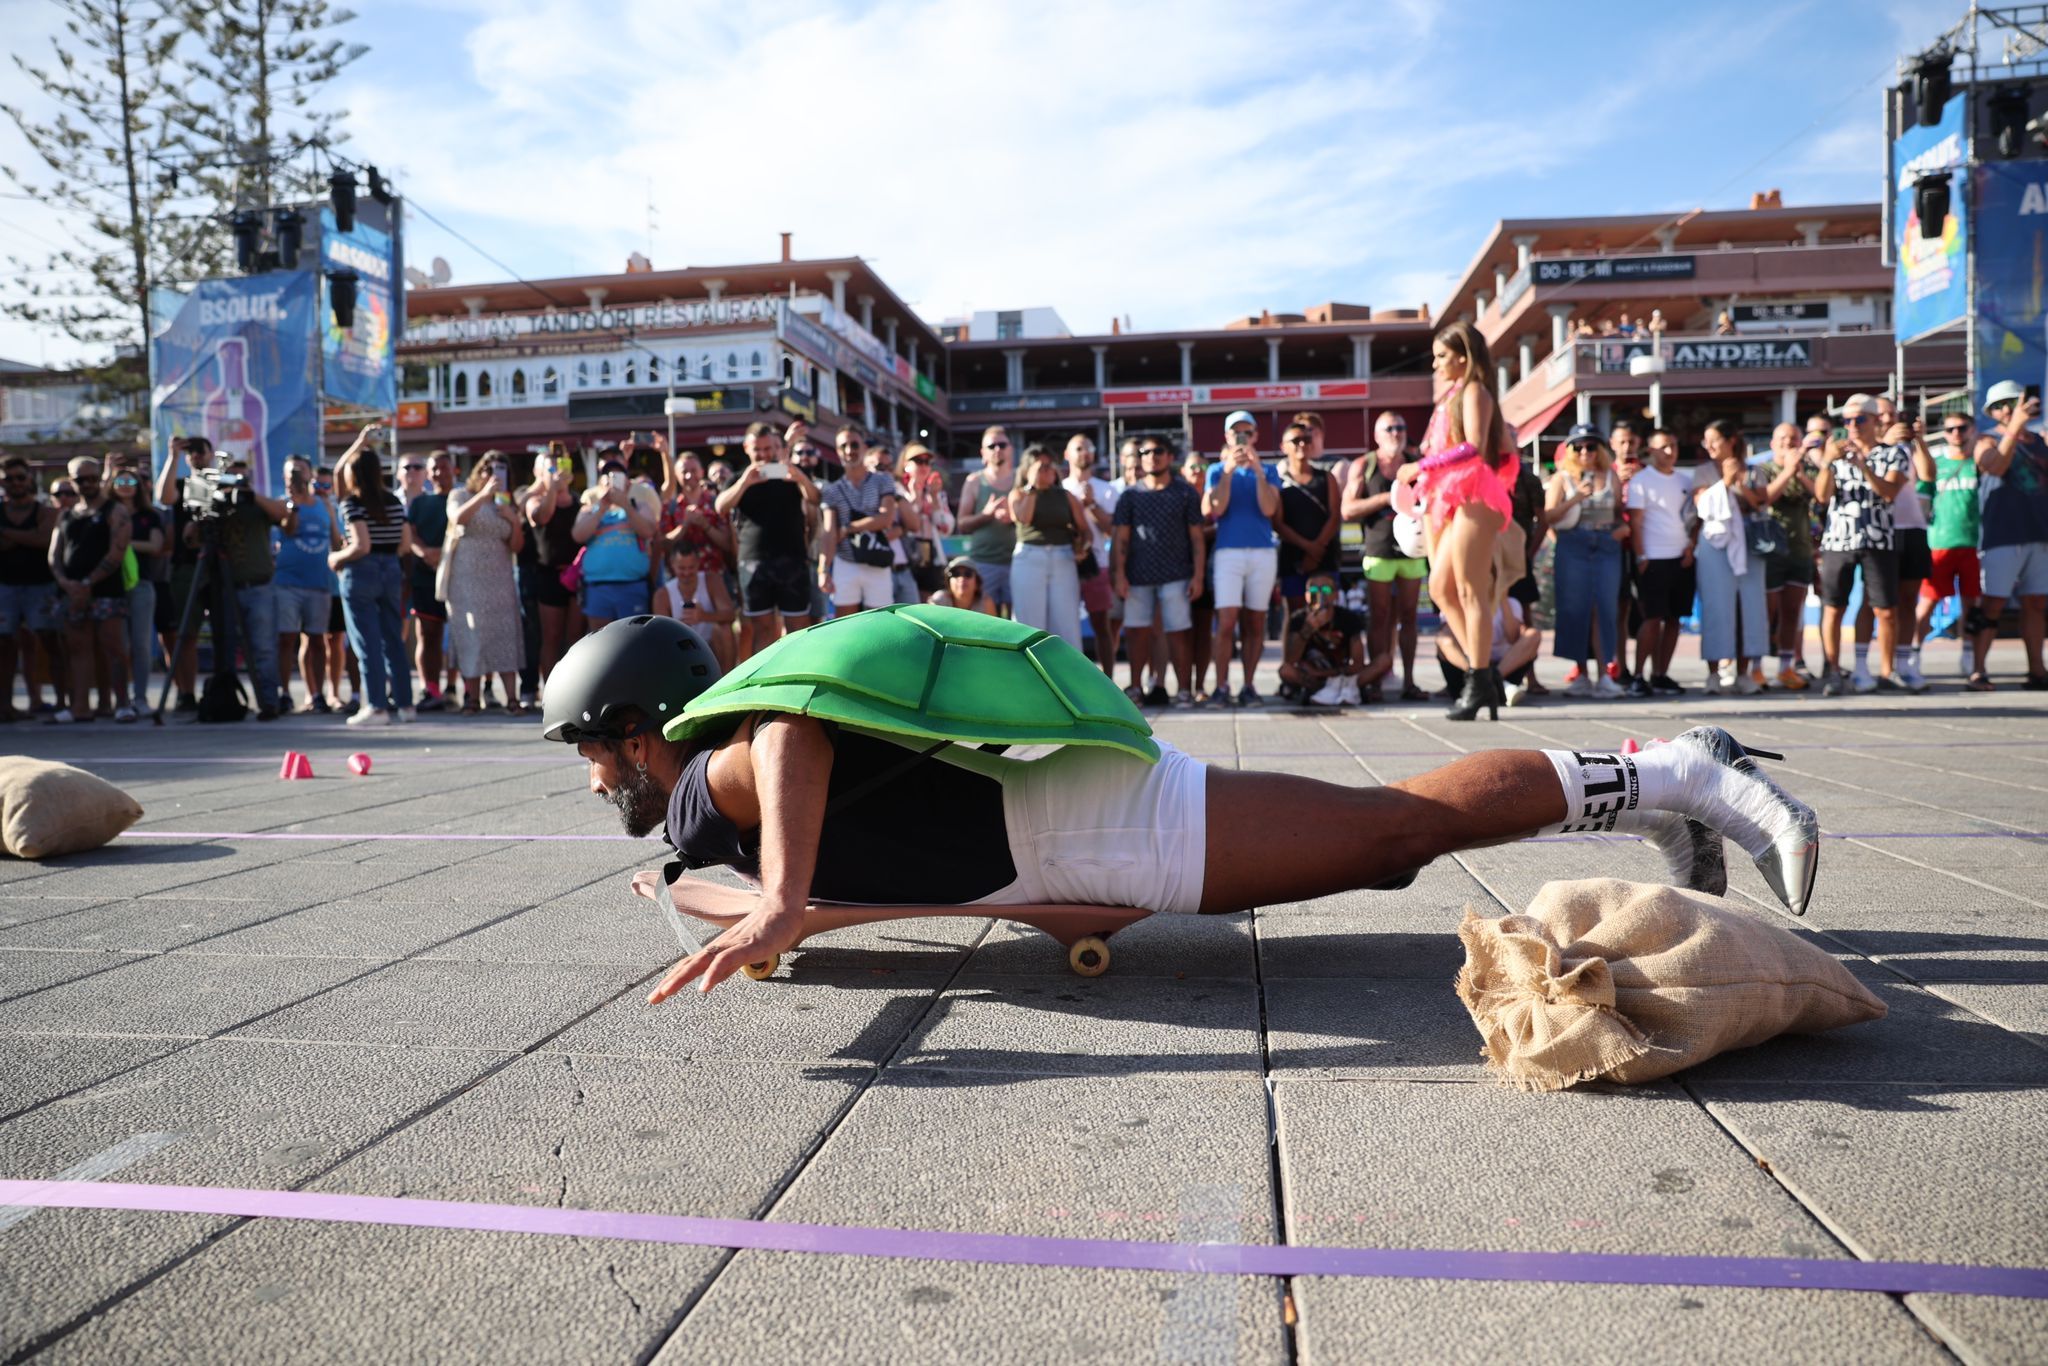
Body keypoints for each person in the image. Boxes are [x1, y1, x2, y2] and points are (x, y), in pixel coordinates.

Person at [540, 614, 1823, 999]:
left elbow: (792, 733)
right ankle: (1652, 801)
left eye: (594, 753)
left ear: (637, 730)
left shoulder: (707, 776)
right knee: (1383, 843)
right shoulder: (702, 827)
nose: (597, 779)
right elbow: (810, 877)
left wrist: (774, 899)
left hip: (1092, 826)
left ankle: (1681, 768)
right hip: (1065, 845)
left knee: (1393, 831)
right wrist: (763, 908)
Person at [1402, 322, 1522, 721]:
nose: (1435, 364)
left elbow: (1473, 446)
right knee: (1441, 588)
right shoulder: (1453, 395)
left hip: (1477, 493)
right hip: (1455, 496)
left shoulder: (1474, 391)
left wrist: (1421, 465)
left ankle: (1479, 679)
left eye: (1441, 356)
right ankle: (1482, 675)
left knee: (1471, 590)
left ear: (1463, 357)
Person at [152, 436, 292, 720]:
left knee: (253, 644)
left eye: (240, 475)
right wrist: (175, 458)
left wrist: (246, 492)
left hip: (243, 580)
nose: (196, 456)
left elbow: (283, 515)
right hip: (207, 576)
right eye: (191, 452)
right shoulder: (202, 493)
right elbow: (176, 514)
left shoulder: (245, 500)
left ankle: (264, 701)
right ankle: (203, 696)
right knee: (202, 639)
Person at [1815, 394, 1909, 695]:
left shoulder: (1893, 454)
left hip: (1878, 539)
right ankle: (1833, 671)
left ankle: (1887, 671)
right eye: (1847, 421)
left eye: (1859, 419)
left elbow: (1889, 493)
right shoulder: (1836, 453)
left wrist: (1864, 466)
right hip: (1839, 539)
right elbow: (1821, 496)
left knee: (1885, 609)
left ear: (1875, 420)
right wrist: (1828, 462)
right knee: (1833, 607)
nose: (1852, 426)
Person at [330, 425, 415, 727]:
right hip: (391, 568)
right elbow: (405, 545)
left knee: (366, 642)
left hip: (361, 572)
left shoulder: (352, 503)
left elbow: (361, 545)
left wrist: (336, 557)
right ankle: (405, 705)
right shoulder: (394, 502)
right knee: (393, 639)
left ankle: (377, 706)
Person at [1113, 435, 1206, 707]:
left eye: (1158, 451)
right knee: (1136, 633)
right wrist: (1119, 574)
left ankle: (1184, 690)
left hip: (1177, 575)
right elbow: (1121, 539)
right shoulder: (1130, 495)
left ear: (1170, 456)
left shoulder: (1185, 492)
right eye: (1145, 452)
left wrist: (1198, 576)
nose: (1151, 456)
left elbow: (1197, 538)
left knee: (1178, 633)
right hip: (1137, 576)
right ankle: (1135, 688)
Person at [716, 421, 822, 658]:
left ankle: (799, 675)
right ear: (746, 448)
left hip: (793, 560)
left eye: (767, 449)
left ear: (775, 448)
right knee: (762, 630)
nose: (763, 455)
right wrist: (745, 482)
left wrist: (799, 477)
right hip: (754, 562)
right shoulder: (739, 478)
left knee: (798, 631)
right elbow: (720, 507)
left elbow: (815, 498)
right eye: (758, 449)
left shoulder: (790, 473)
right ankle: (767, 679)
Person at [1342, 412, 1427, 701]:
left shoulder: (1416, 463)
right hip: (1378, 549)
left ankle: (1409, 681)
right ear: (1377, 435)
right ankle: (1375, 681)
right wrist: (1388, 498)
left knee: (1410, 616)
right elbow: (1347, 509)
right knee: (1379, 616)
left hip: (1413, 549)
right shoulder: (1364, 465)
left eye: (1400, 427)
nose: (1395, 433)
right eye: (1389, 428)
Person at [1972, 381, 2048, 690]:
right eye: (1999, 405)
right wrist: (2015, 427)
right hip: (2002, 535)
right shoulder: (1985, 440)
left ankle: (2037, 670)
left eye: (2012, 402)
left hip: (2039, 533)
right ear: (1991, 412)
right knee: (1993, 604)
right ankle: (1978, 670)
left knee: (2036, 603)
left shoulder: (2041, 441)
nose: (2006, 409)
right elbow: (1995, 467)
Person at [46, 456, 134, 722]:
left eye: (91, 478)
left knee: (113, 648)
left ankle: (122, 704)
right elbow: (54, 555)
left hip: (106, 591)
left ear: (99, 478)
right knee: (77, 649)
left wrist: (88, 583)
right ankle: (80, 706)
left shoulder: (115, 511)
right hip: (71, 592)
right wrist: (67, 584)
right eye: (80, 479)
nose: (86, 484)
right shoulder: (66, 515)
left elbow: (116, 553)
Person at [1204, 410, 1281, 707]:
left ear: (1255, 436)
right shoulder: (1216, 470)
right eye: (1236, 433)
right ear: (1227, 437)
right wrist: (1228, 471)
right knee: (1226, 623)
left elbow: (1269, 509)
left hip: (1262, 552)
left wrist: (1257, 470)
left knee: (1256, 622)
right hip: (1229, 552)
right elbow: (1217, 508)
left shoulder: (1269, 471)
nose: (1242, 438)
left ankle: (1249, 685)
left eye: (1247, 432)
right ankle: (1221, 686)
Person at [1545, 425, 1627, 698]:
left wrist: (1621, 529)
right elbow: (1549, 516)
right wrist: (1576, 498)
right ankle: (1580, 672)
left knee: (1605, 608)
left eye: (1591, 446)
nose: (1585, 452)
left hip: (1606, 544)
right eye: (1578, 447)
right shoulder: (1562, 478)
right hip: (1573, 544)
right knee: (1575, 608)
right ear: (1569, 450)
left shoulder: (1611, 476)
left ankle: (1605, 674)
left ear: (1600, 449)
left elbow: (1619, 512)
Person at [446, 452, 528, 714]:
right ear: (478, 472)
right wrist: (484, 495)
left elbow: (517, 546)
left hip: (500, 577)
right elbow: (457, 519)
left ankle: (512, 698)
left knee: (505, 633)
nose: (494, 475)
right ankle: (472, 698)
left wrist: (513, 519)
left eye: (501, 469)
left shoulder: (506, 502)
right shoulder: (461, 495)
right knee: (472, 634)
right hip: (467, 577)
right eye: (488, 469)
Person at [1692, 420, 1768, 695]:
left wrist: (1740, 483)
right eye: (1706, 441)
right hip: (1715, 543)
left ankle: (1745, 673)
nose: (1709, 446)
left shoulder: (1754, 471)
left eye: (1715, 440)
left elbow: (1760, 504)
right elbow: (1701, 505)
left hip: (1749, 542)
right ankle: (1714, 673)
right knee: (1716, 606)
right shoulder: (1702, 471)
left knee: (1750, 607)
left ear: (1731, 441)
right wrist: (1725, 482)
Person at [1625, 428, 1697, 697]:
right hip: (1653, 559)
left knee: (1675, 619)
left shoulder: (1685, 480)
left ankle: (1660, 674)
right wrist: (1641, 556)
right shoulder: (1641, 481)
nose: (1669, 452)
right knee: (1652, 619)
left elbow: (1694, 519)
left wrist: (1691, 547)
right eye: (1663, 446)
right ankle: (1638, 675)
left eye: (1673, 446)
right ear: (1651, 450)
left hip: (1682, 558)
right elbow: (1636, 522)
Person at [272, 456, 342, 713]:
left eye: (300, 472)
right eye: (291, 473)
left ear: (309, 474)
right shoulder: (282, 503)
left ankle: (318, 694)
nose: (296, 477)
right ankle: (284, 693)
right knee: (286, 638)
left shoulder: (324, 505)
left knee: (317, 640)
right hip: (288, 583)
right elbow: (288, 530)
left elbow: (336, 541)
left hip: (319, 583)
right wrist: (294, 505)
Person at [1752, 423, 1819, 690]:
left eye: (1793, 438)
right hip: (1770, 550)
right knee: (1766, 613)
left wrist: (1799, 471)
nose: (1788, 443)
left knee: (1792, 612)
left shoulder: (1809, 469)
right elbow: (1764, 499)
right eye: (1782, 438)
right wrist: (1788, 471)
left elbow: (1821, 495)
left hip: (1800, 549)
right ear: (1772, 443)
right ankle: (1756, 668)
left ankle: (1785, 668)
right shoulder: (1762, 470)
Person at [1921, 413, 1984, 686]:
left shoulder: (1979, 463)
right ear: (1944, 433)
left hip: (1971, 544)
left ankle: (1968, 654)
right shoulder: (1935, 464)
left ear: (1972, 429)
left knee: (1972, 604)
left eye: (1962, 428)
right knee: (1927, 602)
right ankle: (1912, 656)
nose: (1956, 433)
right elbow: (1922, 501)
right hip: (1939, 544)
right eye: (1950, 429)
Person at [1007, 443, 1088, 649]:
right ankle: (1029, 669)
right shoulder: (1018, 494)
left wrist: (1082, 546)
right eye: (1040, 467)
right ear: (1027, 469)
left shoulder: (1066, 496)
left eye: (1049, 465)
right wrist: (1033, 487)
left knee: (1067, 625)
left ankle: (1067, 670)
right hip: (1029, 557)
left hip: (1063, 557)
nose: (1046, 470)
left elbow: (1084, 529)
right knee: (1028, 626)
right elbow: (1023, 518)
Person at [1, 453, 62, 722]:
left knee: (50, 641)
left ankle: (62, 703)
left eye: (20, 477)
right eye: (9, 479)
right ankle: (5, 706)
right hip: (6, 587)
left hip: (41, 586)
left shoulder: (45, 511)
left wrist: (7, 533)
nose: (15, 483)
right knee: (5, 646)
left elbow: (44, 538)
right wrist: (29, 536)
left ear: (29, 479)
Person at [522, 446, 585, 690]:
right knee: (551, 636)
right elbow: (542, 517)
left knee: (576, 638)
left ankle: (575, 691)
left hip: (576, 577)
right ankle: (550, 691)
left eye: (560, 466)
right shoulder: (535, 500)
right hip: (549, 576)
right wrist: (552, 488)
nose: (556, 472)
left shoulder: (579, 501)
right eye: (550, 468)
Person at [818, 431, 900, 615]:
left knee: (881, 621)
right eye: (843, 446)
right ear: (837, 451)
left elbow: (886, 518)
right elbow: (829, 531)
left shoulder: (883, 480)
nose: (849, 450)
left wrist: (848, 528)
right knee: (845, 623)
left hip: (877, 560)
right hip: (846, 561)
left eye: (854, 445)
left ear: (864, 447)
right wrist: (823, 570)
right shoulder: (832, 490)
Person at [574, 456, 659, 630]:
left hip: (632, 586)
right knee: (599, 640)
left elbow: (648, 531)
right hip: (598, 588)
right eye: (608, 477)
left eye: (617, 477)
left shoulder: (640, 506)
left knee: (633, 638)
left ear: (627, 483)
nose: (612, 482)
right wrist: (602, 508)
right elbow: (578, 535)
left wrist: (626, 505)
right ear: (600, 483)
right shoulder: (589, 509)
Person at [1277, 573, 1386, 706]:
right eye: (1313, 589)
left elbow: (1358, 663)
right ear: (1306, 595)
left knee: (1384, 660)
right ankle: (1326, 690)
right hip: (1313, 678)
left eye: (1326, 589)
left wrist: (1323, 673)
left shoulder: (1348, 618)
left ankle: (1334, 690)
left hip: (1342, 676)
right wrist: (1307, 630)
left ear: (1336, 595)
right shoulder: (1298, 619)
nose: (1320, 594)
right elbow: (1291, 660)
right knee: (1286, 671)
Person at [108, 459, 166, 707]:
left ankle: (140, 697)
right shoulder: (106, 513)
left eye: (130, 480)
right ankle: (120, 699)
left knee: (141, 644)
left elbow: (155, 545)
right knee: (118, 645)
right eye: (119, 480)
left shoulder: (148, 515)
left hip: (141, 584)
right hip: (111, 586)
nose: (125, 485)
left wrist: (123, 543)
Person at [1063, 434, 1120, 677]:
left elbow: (1112, 531)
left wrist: (1092, 505)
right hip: (1065, 564)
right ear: (1067, 455)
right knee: (1066, 626)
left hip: (1098, 564)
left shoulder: (1107, 489)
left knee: (1102, 626)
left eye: (1088, 448)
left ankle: (1108, 682)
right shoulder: (1059, 489)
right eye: (1078, 448)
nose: (1084, 453)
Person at [405, 449, 457, 712]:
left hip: (457, 576)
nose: (439, 473)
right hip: (425, 577)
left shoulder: (462, 499)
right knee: (428, 635)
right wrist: (425, 552)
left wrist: (445, 555)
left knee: (460, 637)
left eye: (444, 467)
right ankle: (431, 689)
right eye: (434, 468)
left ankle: (457, 689)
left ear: (454, 470)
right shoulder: (419, 503)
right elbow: (410, 534)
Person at [1274, 420, 1340, 615]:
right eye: (1296, 440)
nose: (1302, 444)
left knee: (1325, 614)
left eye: (1306, 439)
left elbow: (1335, 515)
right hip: (1293, 558)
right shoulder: (1278, 481)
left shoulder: (1326, 477)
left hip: (1325, 556)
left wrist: (1316, 549)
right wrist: (1308, 548)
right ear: (1283, 446)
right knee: (1297, 616)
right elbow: (1277, 523)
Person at [955, 426, 1017, 612]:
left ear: (1010, 449)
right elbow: (962, 524)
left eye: (1002, 445)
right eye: (991, 446)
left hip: (1017, 561)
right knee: (984, 620)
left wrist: (1014, 516)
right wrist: (986, 515)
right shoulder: (974, 481)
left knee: (1019, 621)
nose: (997, 449)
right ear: (983, 452)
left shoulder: (1021, 480)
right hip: (983, 562)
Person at [1439, 597, 1542, 707]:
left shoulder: (1512, 603)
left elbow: (1512, 637)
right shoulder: (1453, 599)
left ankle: (1492, 678)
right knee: (1443, 639)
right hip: (1467, 672)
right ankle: (1481, 678)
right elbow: (1448, 634)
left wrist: (1503, 600)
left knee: (1533, 635)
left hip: (1504, 669)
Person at [661, 543, 737, 671]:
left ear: (698, 564)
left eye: (691, 567)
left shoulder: (711, 580)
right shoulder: (663, 594)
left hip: (711, 644)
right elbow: (661, 634)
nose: (686, 573)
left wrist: (703, 616)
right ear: (672, 564)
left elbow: (730, 615)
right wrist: (680, 626)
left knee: (724, 629)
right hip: (681, 648)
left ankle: (728, 676)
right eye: (682, 568)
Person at [898, 444, 953, 599]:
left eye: (927, 462)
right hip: (907, 556)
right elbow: (908, 524)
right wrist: (915, 496)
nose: (923, 466)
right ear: (906, 465)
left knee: (931, 602)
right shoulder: (898, 490)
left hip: (931, 555)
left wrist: (934, 499)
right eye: (918, 461)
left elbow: (946, 529)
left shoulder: (936, 493)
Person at [928, 557, 998, 614]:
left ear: (977, 583)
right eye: (955, 574)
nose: (962, 578)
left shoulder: (986, 604)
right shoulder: (938, 601)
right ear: (948, 582)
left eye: (968, 574)